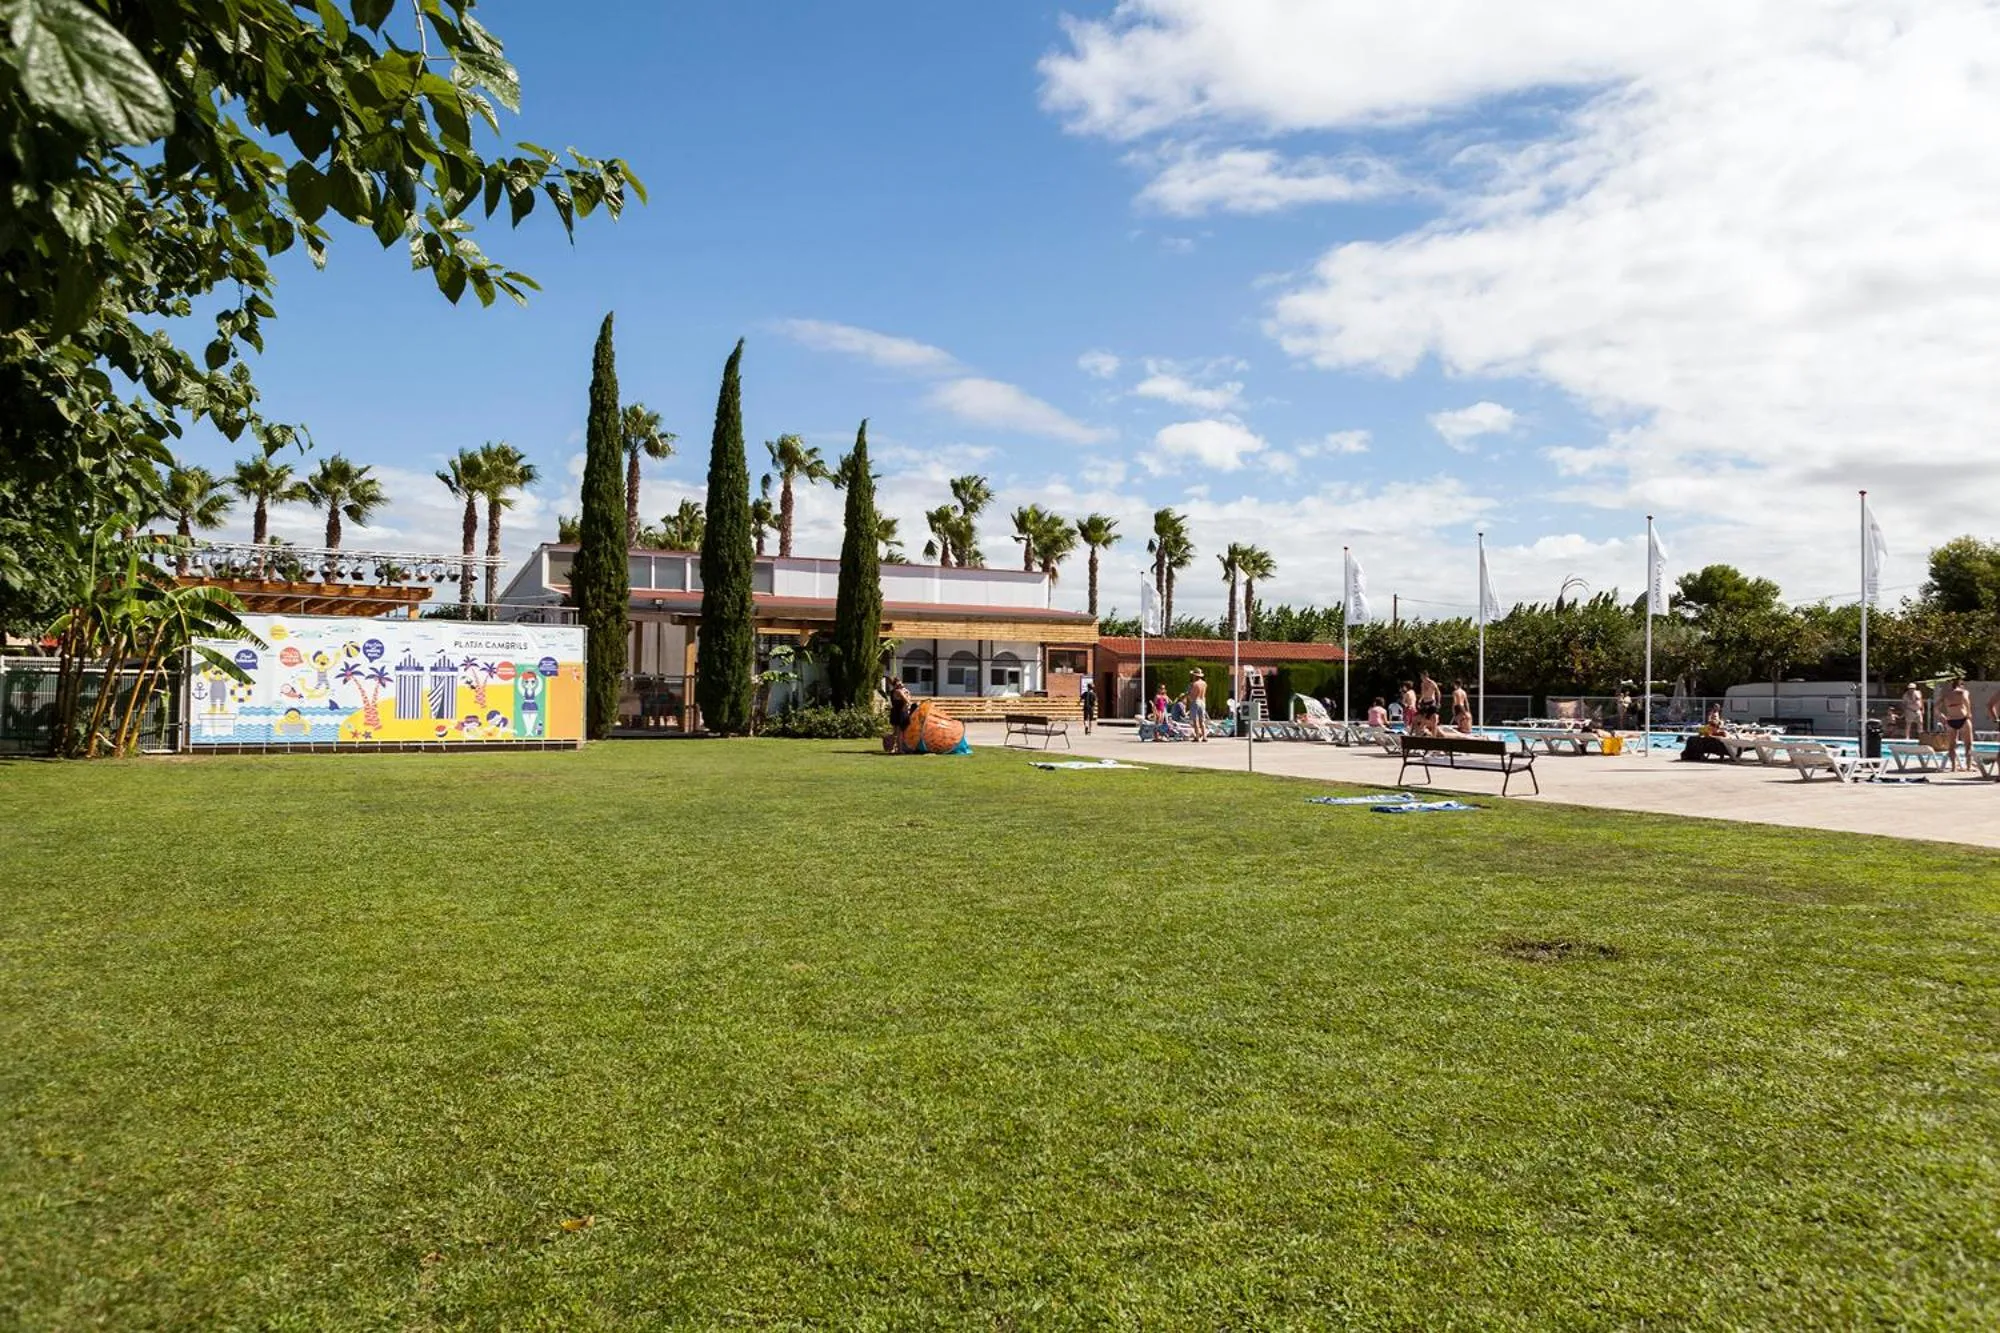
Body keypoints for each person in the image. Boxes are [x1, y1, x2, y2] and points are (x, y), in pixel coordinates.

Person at [1939, 676, 1974, 770]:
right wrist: (1969, 712)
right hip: (1963, 718)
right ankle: (1969, 767)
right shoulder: (1963, 692)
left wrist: (1941, 715)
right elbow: (1966, 700)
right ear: (1961, 684)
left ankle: (1953, 767)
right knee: (1968, 745)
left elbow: (1935, 706)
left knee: (1951, 746)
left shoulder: (1946, 694)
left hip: (1950, 720)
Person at [884, 679, 914, 753]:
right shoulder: (898, 691)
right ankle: (899, 749)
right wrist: (908, 693)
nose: (901, 685)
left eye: (901, 683)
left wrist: (907, 693)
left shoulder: (895, 691)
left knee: (896, 732)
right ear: (895, 685)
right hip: (899, 712)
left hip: (897, 712)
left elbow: (907, 701)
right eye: (898, 684)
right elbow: (907, 701)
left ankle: (891, 745)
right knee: (900, 732)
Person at [1417, 672, 1441, 736]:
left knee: (1432, 718)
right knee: (1422, 718)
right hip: (1425, 702)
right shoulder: (1422, 684)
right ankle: (1425, 732)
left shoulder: (1432, 683)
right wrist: (1420, 701)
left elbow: (1438, 693)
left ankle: (1433, 734)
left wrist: (1438, 702)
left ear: (1425, 676)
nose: (1421, 678)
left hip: (1431, 702)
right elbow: (1423, 694)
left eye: (1422, 676)